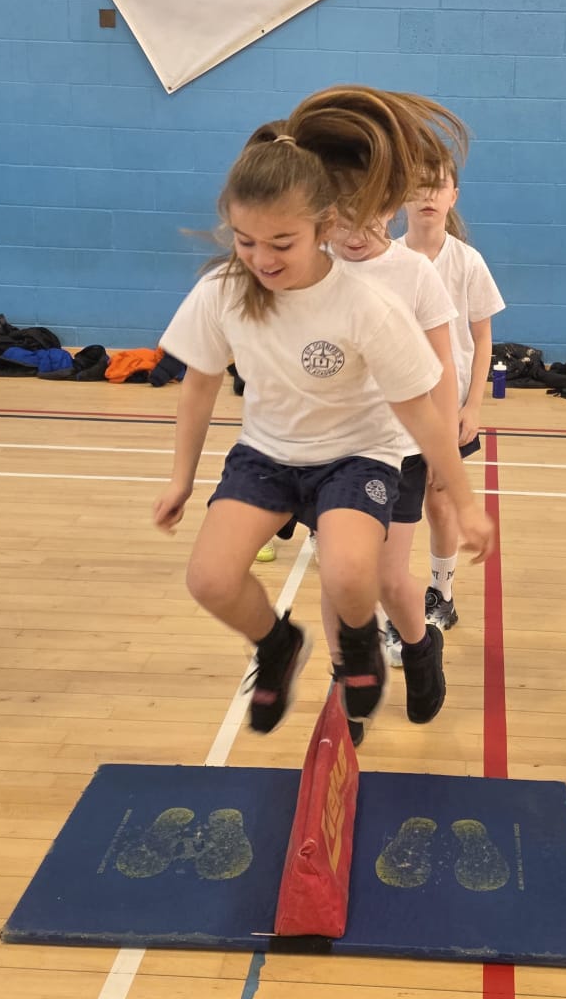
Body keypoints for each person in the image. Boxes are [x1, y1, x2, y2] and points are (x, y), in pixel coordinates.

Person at [152, 86, 495, 739]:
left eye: (281, 242)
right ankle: (291, 652)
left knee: (363, 575)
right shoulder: (231, 288)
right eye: (246, 241)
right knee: (217, 578)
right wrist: (180, 478)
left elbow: (425, 403)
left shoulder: (374, 299)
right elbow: (198, 385)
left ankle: (382, 653)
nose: (262, 259)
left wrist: (464, 497)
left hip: (366, 452)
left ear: (322, 226)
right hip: (273, 454)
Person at [325, 203, 460, 740]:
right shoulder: (313, 265)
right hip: (333, 451)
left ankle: (421, 647)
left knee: (387, 577)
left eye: (365, 219)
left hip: (401, 449)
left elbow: (443, 368)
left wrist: (444, 450)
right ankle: (348, 686)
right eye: (339, 220)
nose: (353, 235)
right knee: (339, 575)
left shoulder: (414, 272)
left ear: (387, 207)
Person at [400, 158, 505, 632]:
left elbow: (482, 338)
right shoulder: (388, 260)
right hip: (398, 414)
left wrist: (473, 405)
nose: (428, 195)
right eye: (418, 185)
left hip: (450, 409)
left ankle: (441, 594)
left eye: (438, 186)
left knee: (440, 503)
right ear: (401, 196)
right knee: (392, 512)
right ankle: (394, 597)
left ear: (453, 196)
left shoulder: (468, 262)